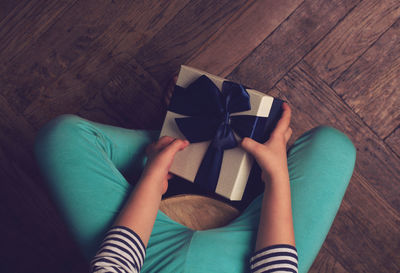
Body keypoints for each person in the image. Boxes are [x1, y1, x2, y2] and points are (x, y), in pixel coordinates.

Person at [34, 95, 356, 273]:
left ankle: (183, 133)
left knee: (61, 138)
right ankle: (207, 138)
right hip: (241, 261)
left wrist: (150, 179)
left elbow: (116, 263)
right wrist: (275, 176)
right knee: (333, 147)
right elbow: (276, 265)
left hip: (149, 259)